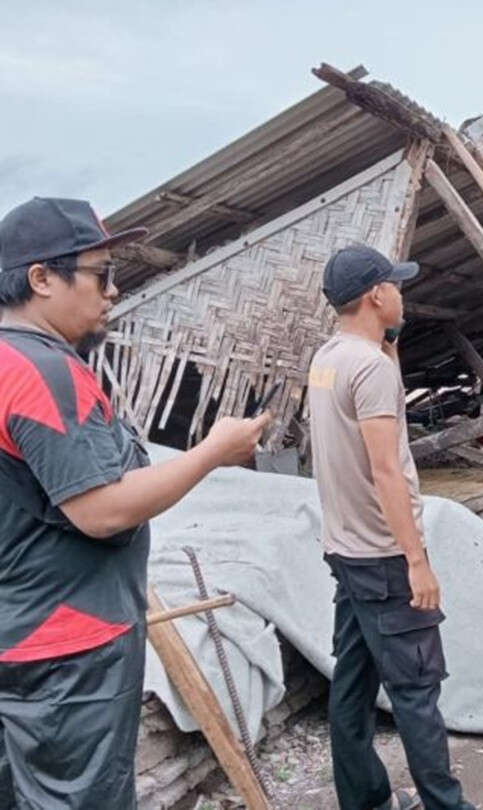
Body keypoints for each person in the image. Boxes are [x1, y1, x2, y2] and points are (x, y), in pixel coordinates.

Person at [0, 197, 270, 809]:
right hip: (69, 647)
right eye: (100, 274)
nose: (114, 292)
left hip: (17, 629)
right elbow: (102, 510)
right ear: (41, 278)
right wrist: (211, 452)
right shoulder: (44, 372)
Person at [308, 244, 475, 810]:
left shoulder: (330, 359)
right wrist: (417, 560)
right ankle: (446, 806)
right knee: (416, 690)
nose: (403, 294)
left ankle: (365, 800)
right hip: (384, 558)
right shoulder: (370, 369)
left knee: (352, 687)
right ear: (377, 295)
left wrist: (391, 342)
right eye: (396, 286)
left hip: (346, 552)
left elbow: (384, 412)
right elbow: (385, 468)